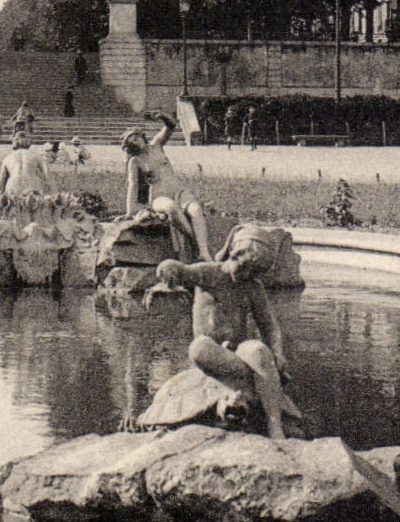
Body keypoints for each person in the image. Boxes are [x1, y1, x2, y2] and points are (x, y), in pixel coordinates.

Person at [143, 225, 298, 437]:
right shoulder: (208, 274)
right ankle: (258, 376)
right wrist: (168, 269)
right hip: (213, 349)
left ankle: (275, 425)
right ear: (234, 254)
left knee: (259, 350)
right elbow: (181, 271)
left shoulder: (253, 287)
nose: (247, 275)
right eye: (244, 268)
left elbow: (269, 325)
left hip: (238, 351)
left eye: (254, 272)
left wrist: (277, 353)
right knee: (198, 348)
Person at [121, 109, 212, 262]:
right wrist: (130, 212)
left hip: (179, 191)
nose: (136, 140)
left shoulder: (156, 145)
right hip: (159, 196)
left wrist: (162, 116)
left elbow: (171, 125)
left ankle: (204, 252)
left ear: (142, 136)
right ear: (129, 146)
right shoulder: (135, 161)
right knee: (171, 209)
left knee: (195, 209)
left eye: (136, 136)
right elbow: (133, 185)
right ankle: (196, 243)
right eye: (131, 140)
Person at [0, 129, 51, 198]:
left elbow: (1, 182)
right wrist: (54, 193)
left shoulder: (7, 158)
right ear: (28, 142)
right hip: (32, 186)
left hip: (13, 187)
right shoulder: (36, 156)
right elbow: (47, 174)